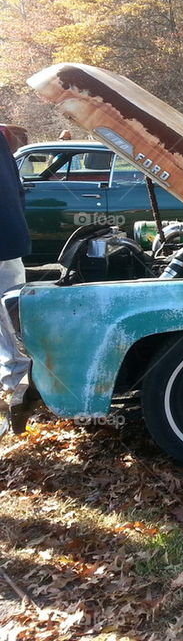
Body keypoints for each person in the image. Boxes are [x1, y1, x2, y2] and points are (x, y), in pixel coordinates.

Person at [0, 132, 31, 430]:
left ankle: (19, 382)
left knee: (9, 316)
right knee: (13, 311)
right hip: (9, 237)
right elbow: (18, 190)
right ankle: (21, 380)